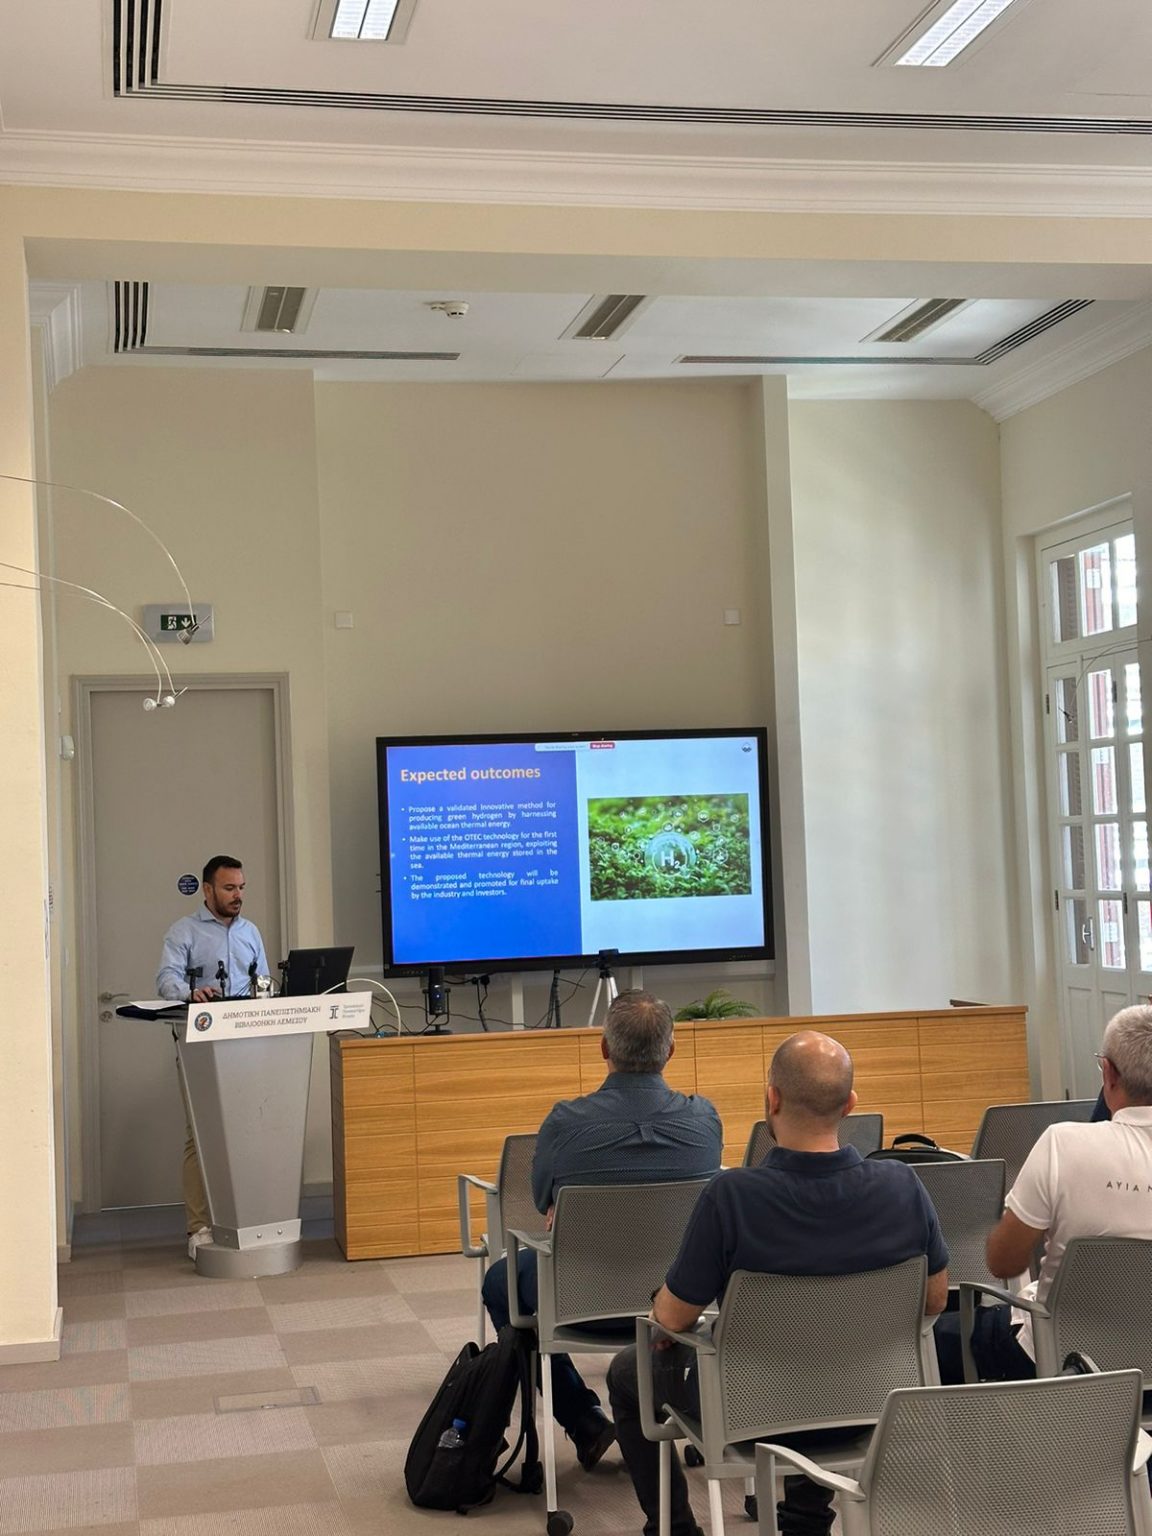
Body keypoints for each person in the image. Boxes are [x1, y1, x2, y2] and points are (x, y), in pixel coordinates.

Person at [607, 1031, 949, 1536]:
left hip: (751, 1409)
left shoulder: (732, 1196)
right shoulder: (903, 1185)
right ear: (850, 1104)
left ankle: (676, 1527)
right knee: (824, 1350)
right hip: (872, 1404)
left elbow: (675, 1318)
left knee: (625, 1372)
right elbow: (934, 1300)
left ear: (772, 1098)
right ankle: (806, 1520)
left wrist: (659, 1307)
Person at [481, 989, 722, 1474]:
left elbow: (541, 1201)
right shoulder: (704, 1120)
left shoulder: (565, 1123)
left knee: (499, 1282)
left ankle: (584, 1420)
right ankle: (682, 1412)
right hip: (675, 1303)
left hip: (578, 1303)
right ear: (671, 1051)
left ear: (604, 1048)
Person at [966, 1003, 1152, 1380]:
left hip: (1064, 1361)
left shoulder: (1063, 1144)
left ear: (1108, 1073)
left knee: (951, 1334)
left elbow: (1004, 1263)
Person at [156, 855, 270, 1258]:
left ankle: (247, 1216)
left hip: (247, 1046)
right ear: (208, 890)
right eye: (229, 888)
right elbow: (165, 979)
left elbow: (263, 982)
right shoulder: (184, 931)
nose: (237, 895)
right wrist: (190, 993)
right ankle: (199, 1228)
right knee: (200, 1135)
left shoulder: (250, 932)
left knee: (247, 1132)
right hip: (200, 1046)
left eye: (241, 888)